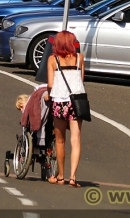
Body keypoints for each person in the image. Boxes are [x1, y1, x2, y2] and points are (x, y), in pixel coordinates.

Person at [44, 31, 86, 187]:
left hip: (60, 102)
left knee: (60, 140)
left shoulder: (52, 60)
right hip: (76, 103)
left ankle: (61, 177)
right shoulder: (79, 58)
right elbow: (81, 80)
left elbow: (50, 84)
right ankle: (73, 177)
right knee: (76, 140)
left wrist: (49, 95)